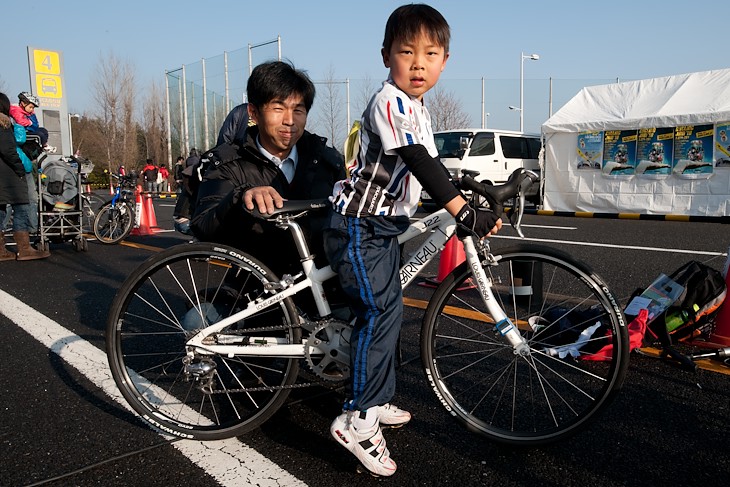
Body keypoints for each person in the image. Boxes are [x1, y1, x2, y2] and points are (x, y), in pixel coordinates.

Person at [323, 4, 501, 477]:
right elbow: (418, 160)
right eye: (407, 52)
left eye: (431, 53)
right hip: (358, 226)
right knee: (379, 310)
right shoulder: (390, 102)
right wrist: (461, 208)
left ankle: (375, 395)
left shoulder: (417, 110)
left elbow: (432, 168)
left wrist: (474, 193)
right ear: (387, 57)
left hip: (384, 228)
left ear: (445, 61)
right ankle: (357, 417)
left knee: (391, 308)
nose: (418, 63)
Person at [190, 60, 345, 284]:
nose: (289, 121)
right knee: (195, 321)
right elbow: (204, 227)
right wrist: (241, 197)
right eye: (278, 108)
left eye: (298, 110)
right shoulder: (227, 162)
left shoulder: (327, 161)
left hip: (324, 291)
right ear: (253, 112)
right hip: (252, 292)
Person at [0, 92, 49, 261]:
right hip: (12, 172)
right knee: (22, 205)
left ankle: (2, 250)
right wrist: (19, 168)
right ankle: (25, 248)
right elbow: (10, 147)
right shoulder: (4, 124)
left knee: (1, 208)